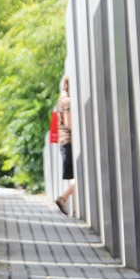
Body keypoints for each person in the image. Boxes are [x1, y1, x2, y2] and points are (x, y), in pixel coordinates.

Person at [55, 77, 75, 216]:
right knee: (78, 177)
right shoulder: (67, 101)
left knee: (75, 177)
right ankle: (63, 198)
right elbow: (69, 123)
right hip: (69, 141)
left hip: (63, 141)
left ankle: (72, 205)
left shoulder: (61, 99)